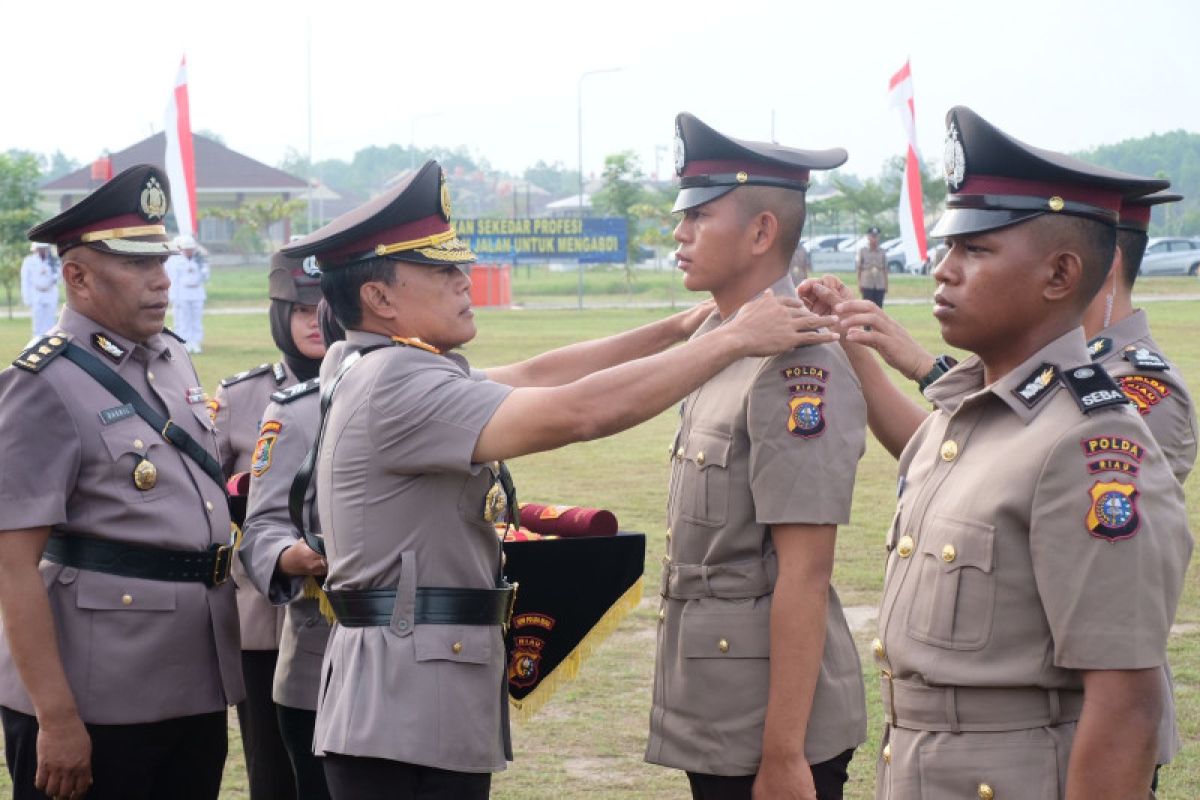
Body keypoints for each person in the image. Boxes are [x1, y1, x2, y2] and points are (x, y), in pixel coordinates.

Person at [279, 158, 838, 800]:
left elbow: (539, 373)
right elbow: (578, 412)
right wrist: (729, 343)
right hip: (407, 706)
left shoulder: (371, 363)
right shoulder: (398, 384)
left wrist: (685, 327)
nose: (466, 281)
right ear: (379, 298)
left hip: (403, 698)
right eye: (442, 271)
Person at [802, 106, 1192, 799]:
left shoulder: (1088, 442)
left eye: (975, 251)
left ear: (1060, 274)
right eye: (949, 248)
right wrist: (856, 344)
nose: (943, 270)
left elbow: (1126, 703)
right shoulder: (977, 414)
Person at [0, 164, 243, 799]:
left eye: (161, 260)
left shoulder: (171, 357)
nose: (162, 279)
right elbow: (12, 566)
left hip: (193, 678)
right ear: (77, 277)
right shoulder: (40, 384)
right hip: (97, 697)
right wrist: (56, 719)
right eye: (137, 265)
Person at [644, 112, 867, 800]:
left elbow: (805, 568)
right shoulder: (725, 337)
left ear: (762, 232)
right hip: (718, 698)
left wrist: (784, 754)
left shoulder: (795, 364)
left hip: (767, 723)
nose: (678, 234)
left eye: (699, 216)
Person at [210, 251, 329, 800]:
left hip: (344, 618)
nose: (314, 320)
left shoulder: (370, 387)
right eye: (300, 309)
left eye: (325, 307)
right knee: (272, 771)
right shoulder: (240, 398)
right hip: (264, 619)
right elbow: (207, 502)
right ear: (279, 315)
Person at [239, 292, 344, 800]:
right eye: (301, 310)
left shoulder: (438, 390)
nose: (315, 322)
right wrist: (288, 555)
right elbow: (256, 521)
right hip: (305, 636)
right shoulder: (289, 407)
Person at [166, 233, 209, 353]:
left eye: (191, 249)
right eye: (187, 249)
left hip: (197, 294)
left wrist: (203, 269)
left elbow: (205, 277)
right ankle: (184, 342)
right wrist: (173, 296)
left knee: (196, 319)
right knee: (184, 320)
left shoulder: (199, 260)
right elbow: (173, 279)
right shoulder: (176, 261)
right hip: (182, 294)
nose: (189, 251)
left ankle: (195, 342)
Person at [20, 241, 60, 336]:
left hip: (50, 293)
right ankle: (37, 343)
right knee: (37, 322)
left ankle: (50, 343)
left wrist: (53, 275)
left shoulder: (53, 262)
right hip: (36, 293)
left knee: (51, 321)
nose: (42, 251)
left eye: (44, 249)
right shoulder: (29, 261)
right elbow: (25, 280)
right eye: (40, 249)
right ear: (35, 249)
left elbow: (60, 276)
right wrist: (27, 298)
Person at [855, 226, 887, 306]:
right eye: (872, 236)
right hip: (867, 283)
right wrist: (859, 283)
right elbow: (859, 268)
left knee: (879, 308)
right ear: (868, 237)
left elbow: (885, 269)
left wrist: (886, 284)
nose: (874, 239)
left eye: (876, 237)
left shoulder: (882, 251)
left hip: (879, 284)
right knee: (867, 308)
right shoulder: (863, 251)